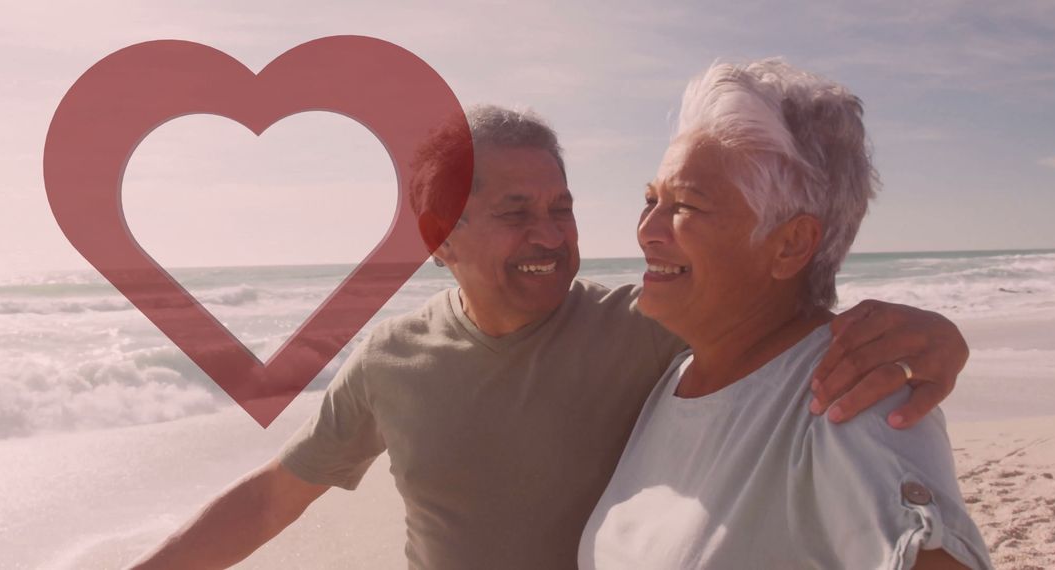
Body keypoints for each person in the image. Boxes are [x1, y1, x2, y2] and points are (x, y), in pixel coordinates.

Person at [131, 105, 972, 570]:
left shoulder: (643, 327)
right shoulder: (390, 362)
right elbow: (277, 495)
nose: (550, 235)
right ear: (439, 240)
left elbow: (774, 320)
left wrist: (936, 335)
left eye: (561, 208)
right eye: (515, 213)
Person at [578, 60, 991, 569]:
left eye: (685, 204)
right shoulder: (680, 373)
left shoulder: (849, 399)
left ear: (791, 245)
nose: (647, 229)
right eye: (651, 198)